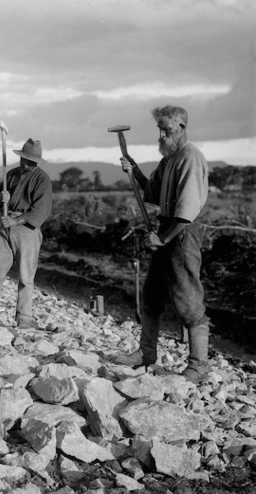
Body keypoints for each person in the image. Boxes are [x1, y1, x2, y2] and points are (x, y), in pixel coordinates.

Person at [113, 105, 211, 384]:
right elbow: (152, 192)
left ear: (181, 127)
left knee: (188, 298)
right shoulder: (169, 159)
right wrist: (133, 171)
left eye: (166, 129)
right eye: (159, 128)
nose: (161, 134)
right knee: (152, 295)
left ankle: (198, 365)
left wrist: (163, 238)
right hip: (166, 229)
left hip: (181, 234)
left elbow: (187, 211)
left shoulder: (190, 157)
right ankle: (146, 354)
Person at [0, 138, 52, 328]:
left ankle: (24, 319)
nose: (26, 164)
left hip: (27, 230)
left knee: (25, 276)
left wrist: (16, 220)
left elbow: (41, 210)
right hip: (5, 227)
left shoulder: (42, 180)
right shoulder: (12, 174)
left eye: (30, 161)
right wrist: (2, 198)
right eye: (24, 159)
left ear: (37, 161)